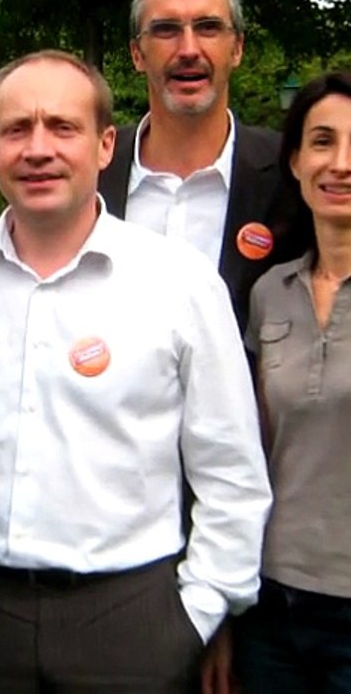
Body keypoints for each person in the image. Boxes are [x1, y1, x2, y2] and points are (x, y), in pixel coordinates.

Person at [0, 49, 272, 692]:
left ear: (106, 145)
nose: (37, 148)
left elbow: (231, 471)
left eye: (63, 127)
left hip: (134, 620)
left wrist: (195, 613)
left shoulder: (180, 282)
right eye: (16, 129)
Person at [229, 71, 351, 693]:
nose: (342, 164)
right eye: (323, 142)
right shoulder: (270, 294)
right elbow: (251, 450)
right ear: (297, 161)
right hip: (270, 608)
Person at [99, 0, 298, 332]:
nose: (188, 49)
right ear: (136, 54)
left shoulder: (291, 174)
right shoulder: (92, 172)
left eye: (208, 27)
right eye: (165, 29)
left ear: (237, 47)